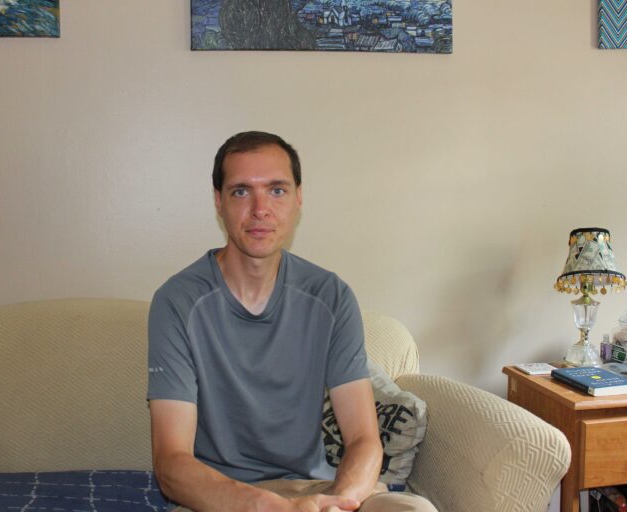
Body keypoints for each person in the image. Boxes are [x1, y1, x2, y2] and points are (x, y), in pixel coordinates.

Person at [147, 131, 436, 512]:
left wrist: (337, 503)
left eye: (277, 190)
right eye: (241, 191)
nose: (260, 209)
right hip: (221, 498)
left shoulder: (331, 296)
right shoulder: (178, 301)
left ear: (299, 198)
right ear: (218, 201)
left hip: (316, 490)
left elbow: (365, 440)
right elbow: (171, 465)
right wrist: (268, 507)